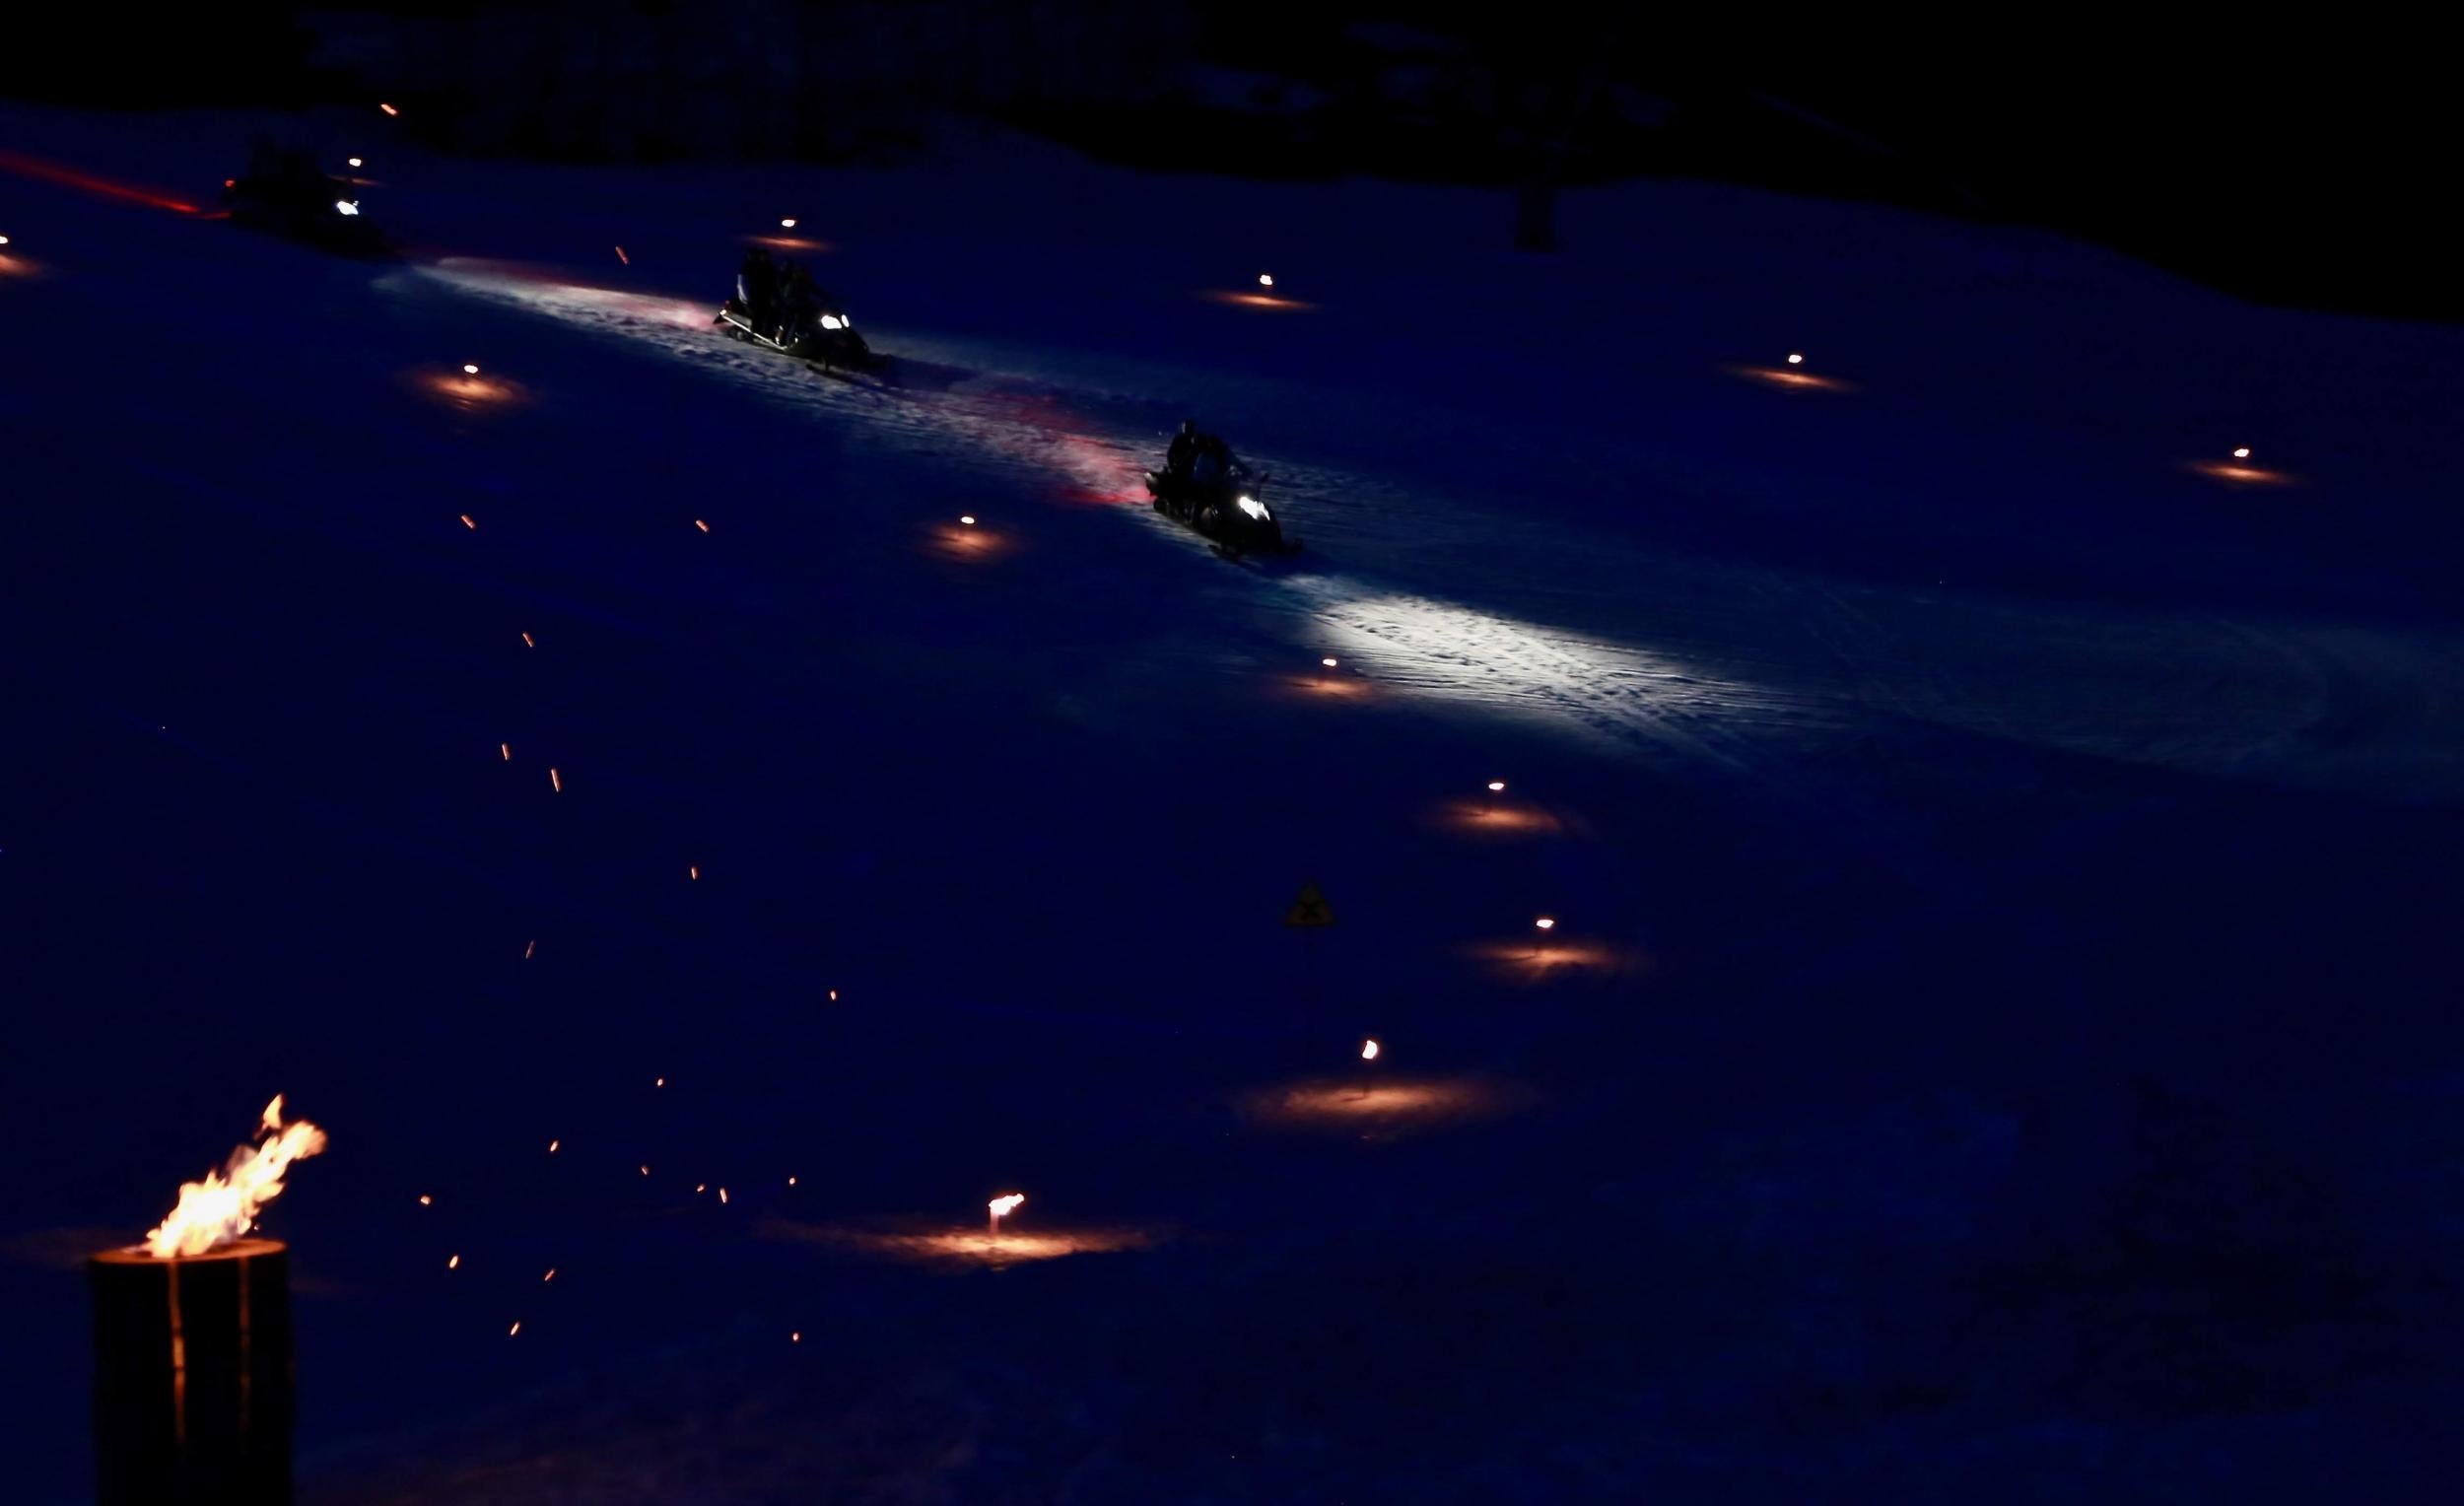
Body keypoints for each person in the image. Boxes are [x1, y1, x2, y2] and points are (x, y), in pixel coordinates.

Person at [737, 247, 779, 329]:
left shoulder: (769, 267)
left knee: (768, 311)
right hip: (757, 295)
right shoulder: (755, 267)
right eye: (763, 256)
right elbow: (747, 283)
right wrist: (748, 297)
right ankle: (755, 328)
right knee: (759, 311)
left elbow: (774, 281)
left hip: (765, 294)